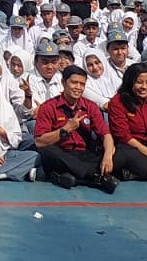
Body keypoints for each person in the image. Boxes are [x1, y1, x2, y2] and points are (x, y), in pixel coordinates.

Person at [34, 64, 118, 193]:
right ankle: (96, 177)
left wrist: (107, 156)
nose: (78, 87)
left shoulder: (90, 107)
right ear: (63, 83)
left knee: (118, 151)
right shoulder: (48, 107)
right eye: (74, 83)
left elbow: (105, 134)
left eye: (82, 84)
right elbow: (39, 142)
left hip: (85, 154)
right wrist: (65, 130)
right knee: (48, 152)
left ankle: (69, 178)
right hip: (62, 153)